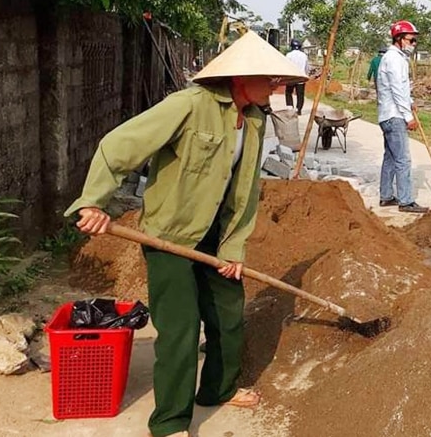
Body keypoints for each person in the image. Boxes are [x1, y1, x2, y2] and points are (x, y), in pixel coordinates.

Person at [64, 31, 307, 437]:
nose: (277, 86)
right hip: (171, 235)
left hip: (218, 234)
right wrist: (92, 202)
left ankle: (218, 389)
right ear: (240, 78)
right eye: (270, 78)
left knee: (228, 314)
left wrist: (234, 246)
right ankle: (170, 422)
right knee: (180, 328)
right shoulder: (188, 107)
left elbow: (246, 189)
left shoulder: (254, 119)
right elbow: (117, 146)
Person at [376, 20, 428, 213]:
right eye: (411, 40)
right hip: (394, 116)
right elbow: (397, 90)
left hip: (387, 114)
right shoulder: (394, 59)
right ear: (398, 39)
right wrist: (408, 116)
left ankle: (386, 196)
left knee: (390, 157)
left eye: (415, 41)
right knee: (403, 160)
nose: (413, 44)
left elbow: (401, 88)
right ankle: (406, 201)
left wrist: (411, 100)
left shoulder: (395, 58)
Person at [285, 38, 309, 115]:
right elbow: (307, 67)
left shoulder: (288, 55)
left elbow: (286, 66)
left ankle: (290, 107)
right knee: (300, 95)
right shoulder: (304, 55)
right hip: (301, 77)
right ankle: (298, 109)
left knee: (288, 92)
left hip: (291, 77)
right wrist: (306, 75)